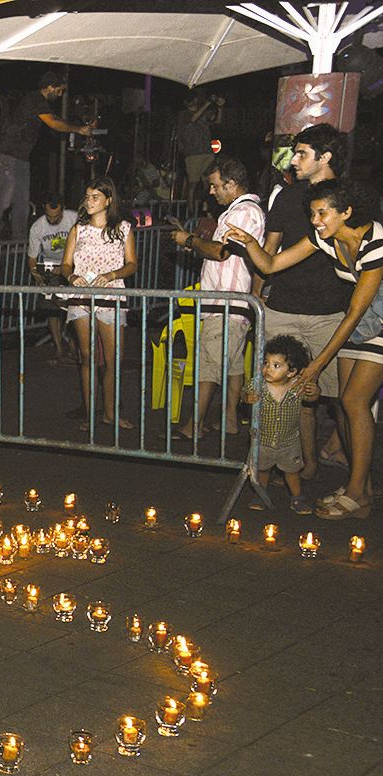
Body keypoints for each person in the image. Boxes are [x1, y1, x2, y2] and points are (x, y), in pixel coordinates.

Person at [226, 178, 383, 521]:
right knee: (346, 401)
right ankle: (362, 490)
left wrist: (314, 368)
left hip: (374, 322)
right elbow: (269, 266)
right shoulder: (324, 239)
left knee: (355, 401)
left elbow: (357, 310)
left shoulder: (376, 242)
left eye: (322, 213)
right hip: (360, 322)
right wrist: (252, 244)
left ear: (347, 212)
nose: (315, 221)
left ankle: (357, 492)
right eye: (312, 213)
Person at [260, 123, 351, 478]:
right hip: (284, 305)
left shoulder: (347, 200)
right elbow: (270, 253)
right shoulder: (286, 196)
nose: (293, 160)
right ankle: (303, 466)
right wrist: (257, 296)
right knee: (288, 397)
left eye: (302, 153)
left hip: (331, 311)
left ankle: (359, 474)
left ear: (324, 157)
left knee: (342, 400)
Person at [170, 157, 264, 439]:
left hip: (225, 301)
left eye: (215, 185)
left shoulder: (243, 212)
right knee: (233, 365)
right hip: (230, 302)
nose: (212, 192)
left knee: (208, 367)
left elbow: (222, 251)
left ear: (232, 184)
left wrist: (189, 240)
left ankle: (193, 425)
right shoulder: (241, 210)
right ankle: (230, 420)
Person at [62, 177, 138, 430]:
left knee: (114, 359)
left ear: (109, 200)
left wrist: (112, 275)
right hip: (82, 297)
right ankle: (90, 415)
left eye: (95, 197)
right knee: (87, 357)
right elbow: (65, 264)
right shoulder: (78, 229)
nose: (89, 201)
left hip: (111, 296)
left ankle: (111, 413)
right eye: (87, 197)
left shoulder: (123, 229)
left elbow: (131, 264)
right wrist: (71, 276)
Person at [0, 72, 93, 242]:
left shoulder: (41, 104)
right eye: (59, 90)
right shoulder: (34, 100)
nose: (60, 94)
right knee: (4, 200)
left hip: (21, 158)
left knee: (22, 202)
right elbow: (54, 123)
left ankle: (18, 240)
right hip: (8, 155)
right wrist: (78, 129)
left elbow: (56, 119)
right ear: (50, 87)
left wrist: (79, 122)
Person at [244, 335, 311, 511]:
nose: (267, 369)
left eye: (276, 365)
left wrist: (315, 391)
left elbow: (313, 396)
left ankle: (297, 498)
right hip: (262, 440)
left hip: (289, 442)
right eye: (266, 363)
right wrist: (247, 398)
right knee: (263, 470)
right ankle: (260, 495)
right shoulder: (257, 384)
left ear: (292, 372)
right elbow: (243, 395)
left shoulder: (298, 386)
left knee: (292, 472)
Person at [27, 195, 79, 361]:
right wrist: (36, 274)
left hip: (73, 265)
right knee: (52, 310)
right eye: (49, 216)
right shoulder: (37, 227)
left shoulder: (74, 218)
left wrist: (66, 269)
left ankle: (73, 346)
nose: (52, 220)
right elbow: (32, 258)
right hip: (50, 267)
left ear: (63, 210)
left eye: (56, 217)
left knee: (73, 308)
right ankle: (58, 347)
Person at [175, 92, 224, 205]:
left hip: (207, 152)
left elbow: (217, 121)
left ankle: (206, 209)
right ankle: (191, 213)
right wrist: (207, 103)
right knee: (193, 184)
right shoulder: (183, 114)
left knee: (208, 183)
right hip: (192, 154)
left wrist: (220, 107)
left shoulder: (204, 113)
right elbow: (193, 118)